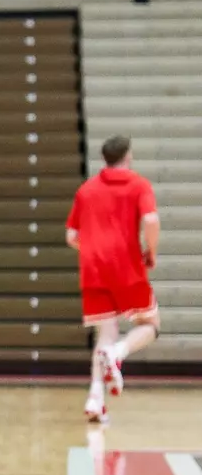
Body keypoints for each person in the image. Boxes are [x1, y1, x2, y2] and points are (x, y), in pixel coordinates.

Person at [68, 136, 161, 424]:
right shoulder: (138, 184)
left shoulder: (86, 190)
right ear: (128, 155)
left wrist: (95, 251)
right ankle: (117, 353)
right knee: (151, 324)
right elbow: (151, 220)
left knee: (105, 333)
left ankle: (95, 398)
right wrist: (151, 250)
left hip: (94, 270)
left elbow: (72, 237)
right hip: (127, 266)